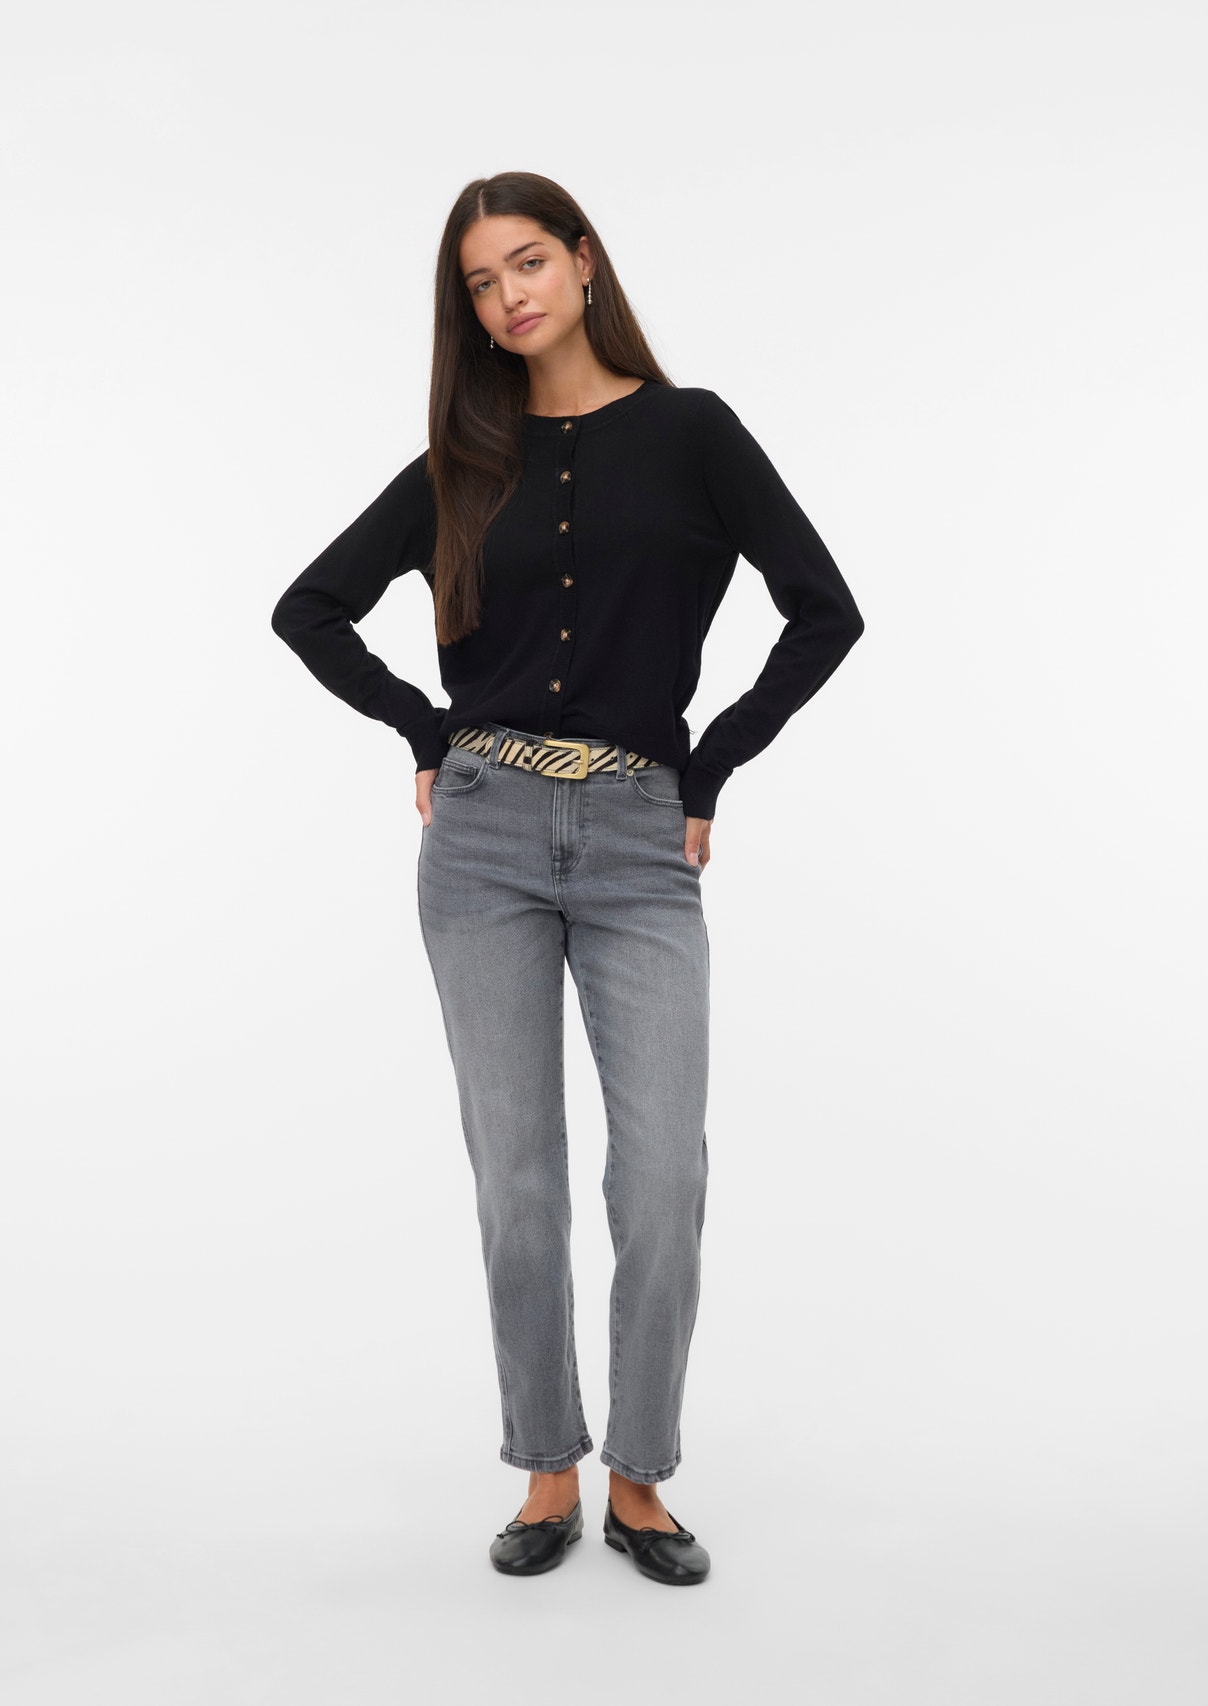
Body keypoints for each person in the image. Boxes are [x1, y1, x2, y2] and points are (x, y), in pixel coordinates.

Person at [271, 171, 865, 1586]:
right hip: (479, 839)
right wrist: (425, 731)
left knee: (661, 1175)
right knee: (519, 1176)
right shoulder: (460, 464)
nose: (509, 296)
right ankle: (548, 1467)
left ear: (586, 261)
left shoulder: (693, 432)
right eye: (481, 283)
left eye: (528, 261)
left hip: (642, 838)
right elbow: (309, 607)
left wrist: (712, 765)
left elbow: (825, 610)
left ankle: (639, 1476)